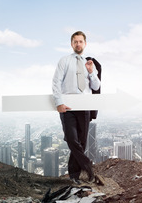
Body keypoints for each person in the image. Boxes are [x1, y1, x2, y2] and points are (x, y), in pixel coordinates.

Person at [52, 31, 101, 184]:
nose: (78, 44)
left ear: (85, 44)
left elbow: (96, 86)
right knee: (72, 139)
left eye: (81, 41)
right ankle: (88, 166)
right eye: (75, 42)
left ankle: (74, 176)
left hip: (84, 106)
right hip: (67, 106)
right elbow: (56, 82)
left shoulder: (90, 64)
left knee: (81, 142)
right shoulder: (64, 61)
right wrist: (59, 102)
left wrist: (92, 72)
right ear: (71, 44)